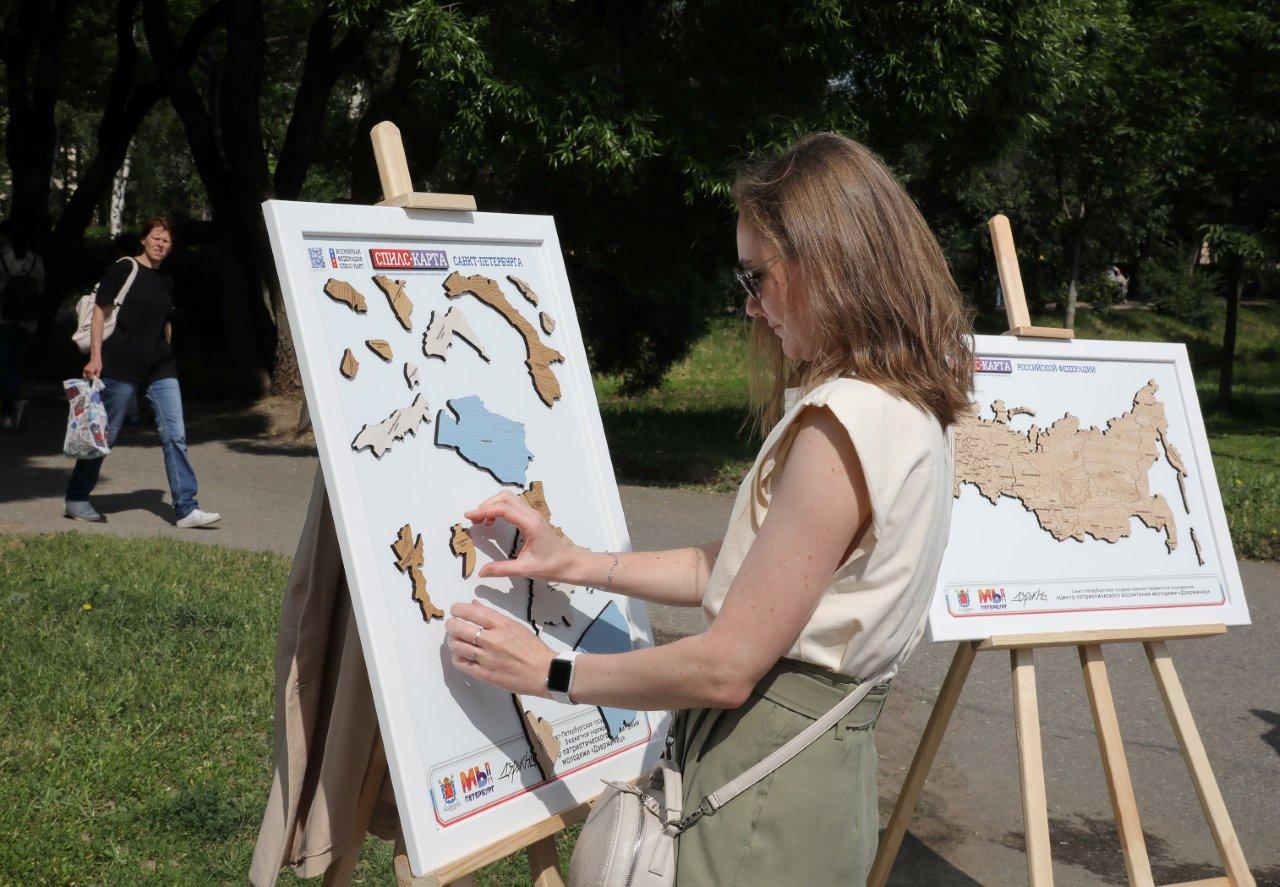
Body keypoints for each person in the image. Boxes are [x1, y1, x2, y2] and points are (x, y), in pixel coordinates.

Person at [441, 133, 974, 885]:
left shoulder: (846, 420)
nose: (750, 305)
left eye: (757, 275)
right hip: (805, 781)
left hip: (765, 797)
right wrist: (578, 562)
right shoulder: (906, 407)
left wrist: (550, 671)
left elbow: (726, 668)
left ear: (828, 262)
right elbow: (747, 574)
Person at [64, 217, 221, 528]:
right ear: (144, 239)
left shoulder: (166, 281)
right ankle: (77, 498)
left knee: (175, 434)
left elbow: (165, 322)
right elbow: (100, 311)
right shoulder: (125, 268)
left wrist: (166, 348)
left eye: (166, 240)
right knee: (104, 434)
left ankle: (186, 508)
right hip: (120, 365)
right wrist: (95, 357)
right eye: (156, 238)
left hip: (160, 367)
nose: (160, 244)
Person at [0, 219, 45, 432]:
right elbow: (40, 287)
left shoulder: (3, 258)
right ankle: (12, 406)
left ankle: (8, 409)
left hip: (4, 319)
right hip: (28, 321)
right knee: (14, 366)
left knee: (4, 367)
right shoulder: (35, 260)